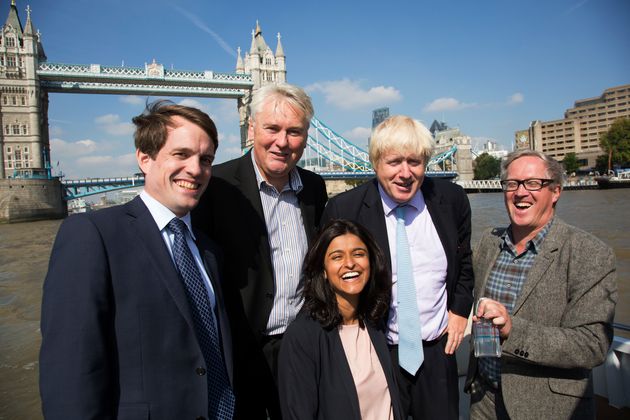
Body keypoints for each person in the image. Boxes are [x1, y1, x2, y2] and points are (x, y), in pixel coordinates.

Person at [40, 101, 235, 419]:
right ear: (145, 158)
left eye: (206, 159)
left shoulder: (210, 250)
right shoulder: (92, 235)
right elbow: (69, 368)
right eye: (181, 154)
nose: (196, 169)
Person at [321, 115, 473, 419]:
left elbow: (465, 262)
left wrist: (459, 311)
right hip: (376, 350)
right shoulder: (345, 209)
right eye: (394, 162)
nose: (405, 173)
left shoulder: (451, 199)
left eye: (414, 162)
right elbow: (327, 280)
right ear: (376, 163)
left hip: (437, 351)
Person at [192, 83, 328, 419]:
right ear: (251, 129)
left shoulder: (314, 187)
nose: (282, 142)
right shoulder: (216, 186)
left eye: (294, 131)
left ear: (307, 136)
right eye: (272, 128)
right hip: (240, 350)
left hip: (302, 343)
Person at [465, 150, 617, 420]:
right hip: (484, 400)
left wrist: (513, 331)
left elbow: (592, 344)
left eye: (533, 183)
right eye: (512, 184)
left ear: (556, 191)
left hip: (547, 408)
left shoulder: (588, 253)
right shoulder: (489, 242)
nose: (520, 192)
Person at [278, 219, 404, 420]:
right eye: (337, 257)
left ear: (371, 262)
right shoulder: (302, 337)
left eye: (358, 254)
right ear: (324, 270)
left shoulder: (375, 322)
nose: (350, 263)